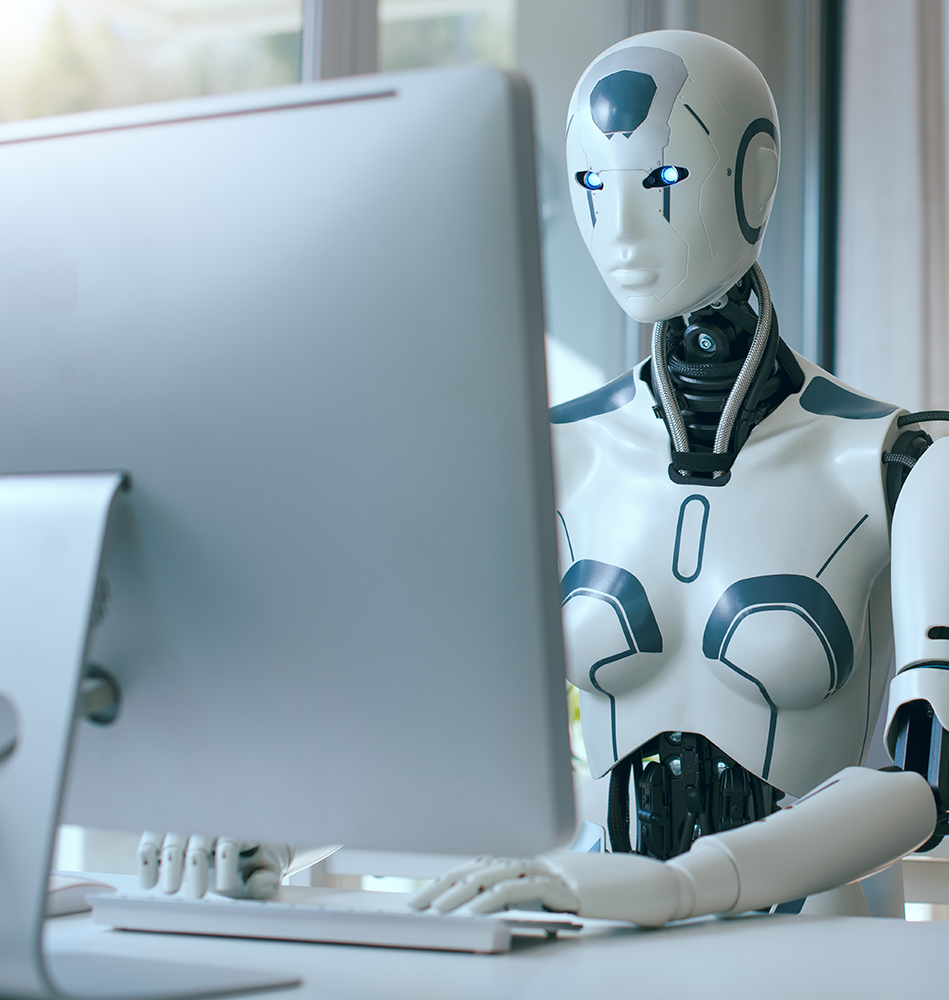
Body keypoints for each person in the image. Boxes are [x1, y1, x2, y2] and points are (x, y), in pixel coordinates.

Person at [407, 29, 949, 925]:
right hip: (586, 928)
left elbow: (932, 781)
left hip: (810, 963)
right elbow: (416, 717)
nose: (618, 231)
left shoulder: (903, 461)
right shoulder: (548, 458)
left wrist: (678, 884)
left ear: (757, 177)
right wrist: (260, 820)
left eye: (661, 182)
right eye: (592, 185)